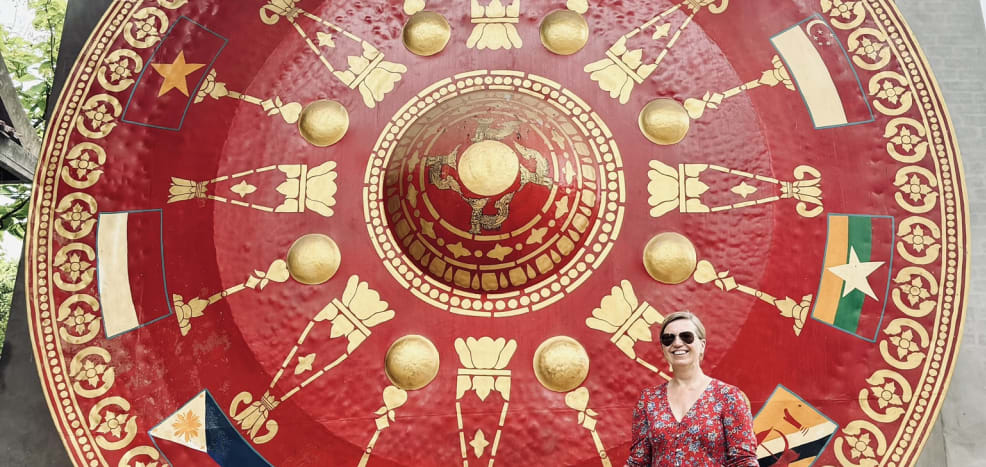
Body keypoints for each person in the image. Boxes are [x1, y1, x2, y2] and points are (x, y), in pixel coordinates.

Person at [626, 311, 758, 467]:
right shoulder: (648, 400)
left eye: (686, 336)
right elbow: (638, 461)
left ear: (702, 345)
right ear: (663, 348)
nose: (677, 343)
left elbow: (744, 460)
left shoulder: (728, 396)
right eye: (668, 339)